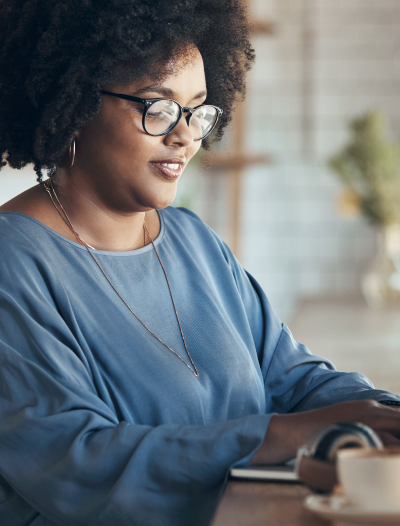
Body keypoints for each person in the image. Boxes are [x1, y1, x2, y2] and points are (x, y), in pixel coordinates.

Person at [0, 1, 400, 525]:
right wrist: (282, 433)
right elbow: (77, 461)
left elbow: (292, 378)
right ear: (72, 101)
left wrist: (383, 409)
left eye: (198, 109)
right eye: (158, 106)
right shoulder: (15, 263)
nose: (187, 135)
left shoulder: (193, 241)